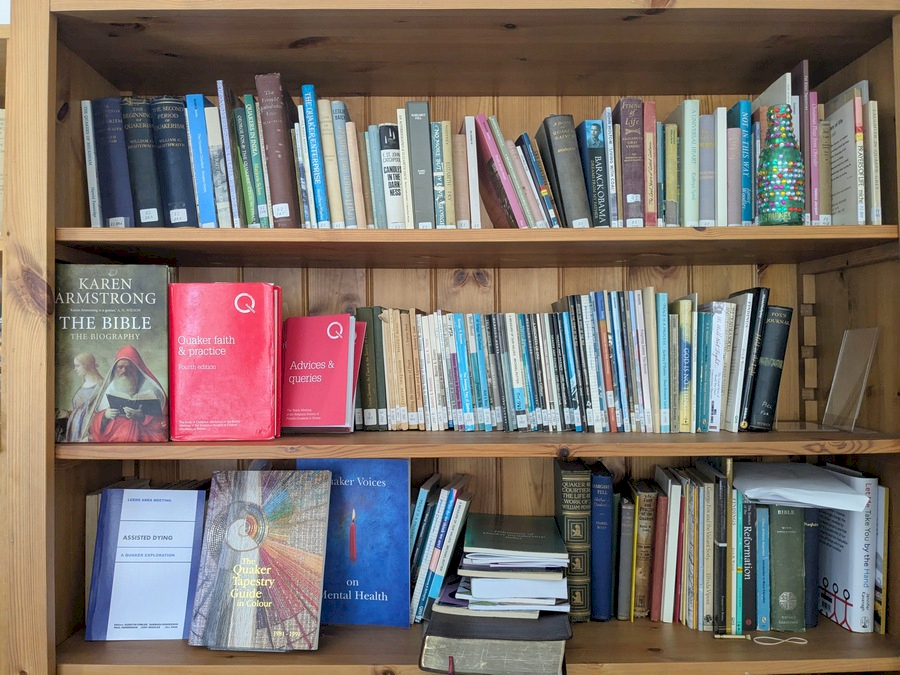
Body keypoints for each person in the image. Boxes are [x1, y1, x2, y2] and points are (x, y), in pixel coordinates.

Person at [89, 344, 168, 442]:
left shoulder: (153, 389)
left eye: (129, 367)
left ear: (137, 369)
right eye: (120, 367)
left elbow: (164, 424)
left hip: (144, 439)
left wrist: (143, 417)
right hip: (113, 439)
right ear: (114, 370)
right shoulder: (109, 390)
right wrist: (105, 415)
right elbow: (93, 425)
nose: (124, 371)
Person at [64, 352, 104, 442]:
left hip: (87, 431)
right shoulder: (83, 383)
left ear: (87, 366)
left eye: (77, 366)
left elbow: (103, 415)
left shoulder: (101, 386)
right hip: (74, 429)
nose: (75, 369)